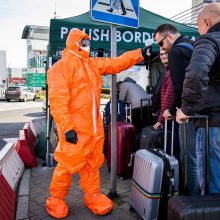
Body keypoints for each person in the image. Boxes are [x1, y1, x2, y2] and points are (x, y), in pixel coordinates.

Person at [46, 28, 149, 218]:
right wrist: (67, 128)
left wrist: (140, 53)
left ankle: (92, 195)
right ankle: (56, 199)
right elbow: (58, 100)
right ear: (75, 42)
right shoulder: (61, 67)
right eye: (84, 41)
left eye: (88, 41)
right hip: (75, 130)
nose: (87, 45)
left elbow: (116, 63)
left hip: (94, 130)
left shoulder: (91, 64)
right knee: (67, 165)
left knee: (92, 165)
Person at [176, 2, 220, 194]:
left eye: (198, 26)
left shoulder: (209, 39)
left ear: (207, 22)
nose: (198, 31)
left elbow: (195, 74)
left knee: (212, 190)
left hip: (214, 125)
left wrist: (186, 109)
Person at [154, 24, 199, 195]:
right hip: (202, 112)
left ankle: (189, 199)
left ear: (170, 37)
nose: (162, 48)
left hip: (187, 112)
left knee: (188, 159)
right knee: (198, 158)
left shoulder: (176, 52)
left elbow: (179, 87)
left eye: (161, 43)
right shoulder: (192, 45)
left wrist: (172, 111)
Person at [153, 49, 172, 130]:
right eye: (161, 54)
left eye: (166, 53)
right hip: (168, 112)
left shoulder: (168, 72)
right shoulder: (166, 71)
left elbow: (168, 96)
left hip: (170, 113)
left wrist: (160, 119)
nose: (164, 56)